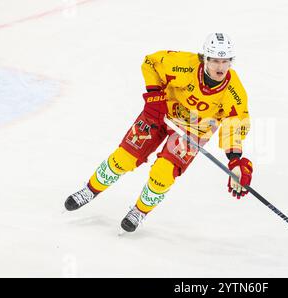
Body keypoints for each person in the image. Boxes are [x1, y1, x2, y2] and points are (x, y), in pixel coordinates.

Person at [65, 33, 253, 233]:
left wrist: (235, 161)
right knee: (124, 158)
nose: (220, 67)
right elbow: (151, 62)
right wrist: (155, 96)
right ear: (204, 58)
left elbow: (234, 123)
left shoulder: (235, 92)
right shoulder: (184, 64)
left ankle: (139, 211)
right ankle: (89, 190)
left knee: (162, 174)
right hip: (160, 114)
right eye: (215, 60)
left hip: (193, 132)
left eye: (225, 61)